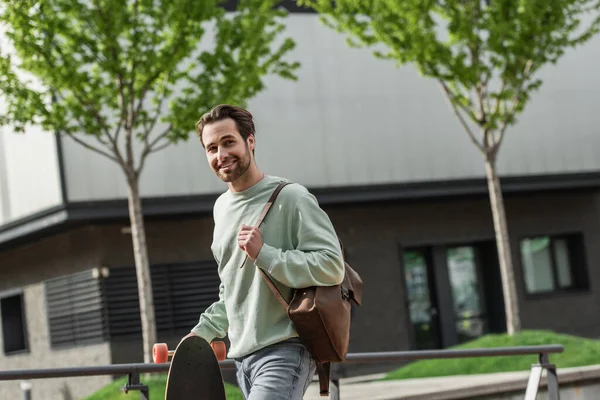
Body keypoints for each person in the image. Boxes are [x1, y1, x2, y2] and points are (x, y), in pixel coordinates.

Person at [184, 104, 346, 400]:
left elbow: (332, 266)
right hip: (242, 358)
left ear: (250, 141)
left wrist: (266, 254)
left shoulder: (291, 197)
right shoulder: (221, 209)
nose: (221, 155)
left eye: (228, 142)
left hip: (286, 347)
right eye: (211, 148)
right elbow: (232, 288)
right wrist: (203, 331)